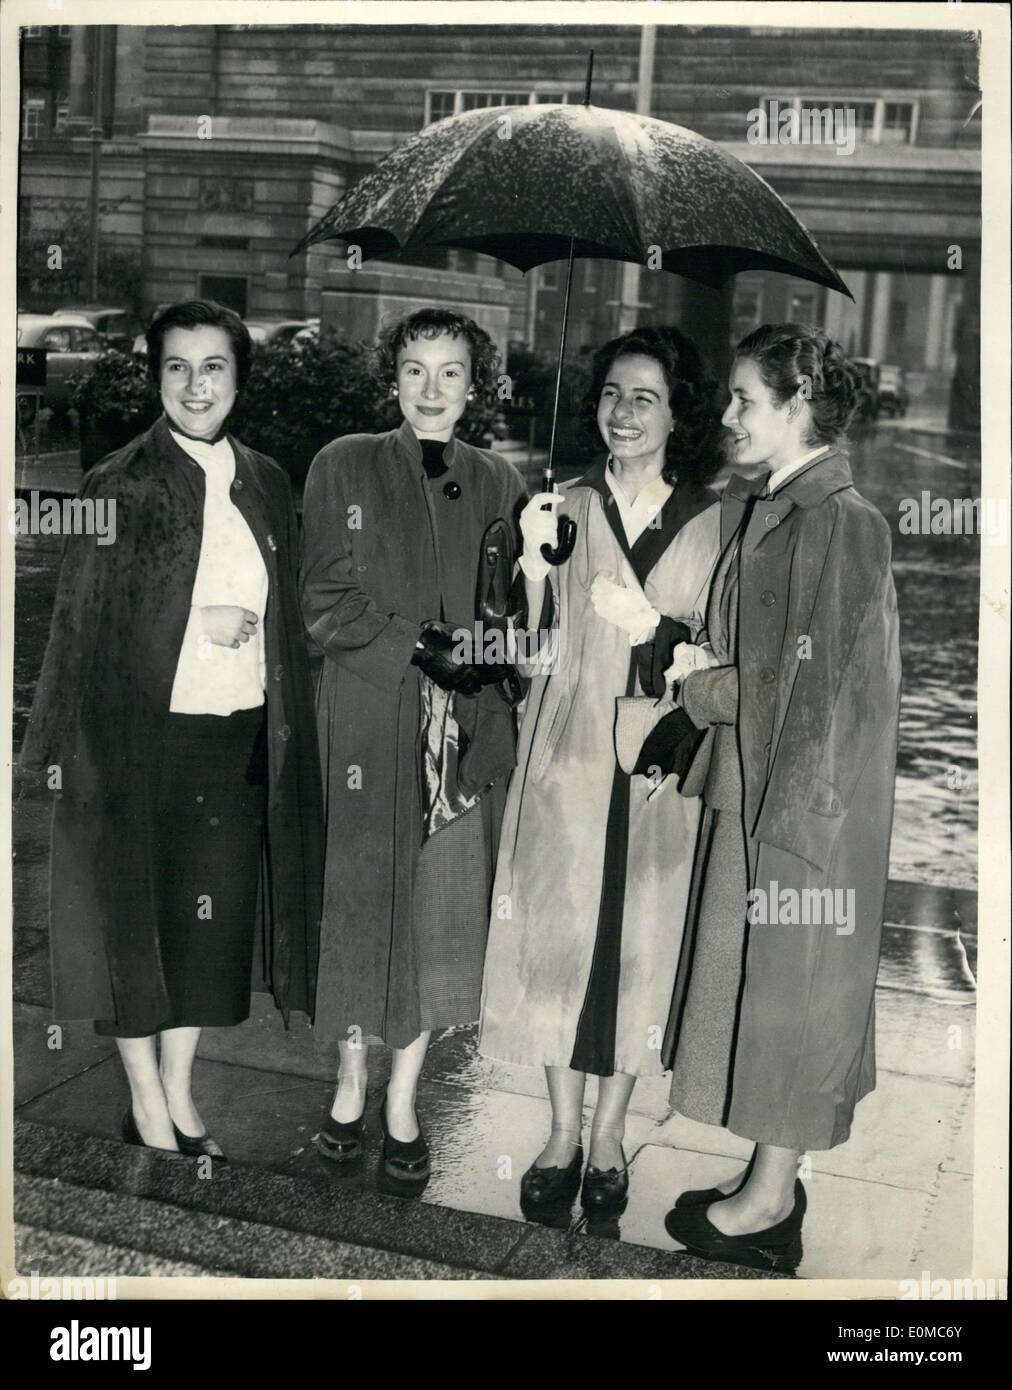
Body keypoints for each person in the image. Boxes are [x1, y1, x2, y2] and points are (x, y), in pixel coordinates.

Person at [19, 299, 324, 1159]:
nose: (197, 385)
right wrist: (194, 618)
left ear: (239, 378)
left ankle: (182, 1093)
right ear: (157, 378)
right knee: (130, 924)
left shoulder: (264, 478)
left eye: (214, 367)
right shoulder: (117, 482)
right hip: (139, 743)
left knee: (209, 931)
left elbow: (292, 612)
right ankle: (146, 1105)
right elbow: (80, 622)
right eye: (177, 368)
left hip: (236, 743)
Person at [661, 324, 902, 1274]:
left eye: (742, 401)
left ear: (798, 402)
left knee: (791, 998)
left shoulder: (840, 521)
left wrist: (699, 689)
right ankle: (765, 1178)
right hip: (765, 788)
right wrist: (699, 656)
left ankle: (768, 1202)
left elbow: (810, 687)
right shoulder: (781, 507)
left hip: (800, 809)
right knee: (765, 994)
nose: (726, 417)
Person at [479, 326, 724, 1213]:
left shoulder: (715, 520)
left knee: (641, 947)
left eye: (645, 398)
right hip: (569, 756)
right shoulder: (561, 508)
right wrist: (537, 575)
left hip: (659, 768)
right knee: (558, 936)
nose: (623, 413)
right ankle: (560, 1133)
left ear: (677, 414)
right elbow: (522, 656)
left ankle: (613, 1134)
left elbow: (725, 655)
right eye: (612, 394)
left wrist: (658, 632)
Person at [301, 308, 526, 1183]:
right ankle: (350, 1084)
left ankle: (404, 1101)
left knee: (438, 918)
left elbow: (513, 619)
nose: (432, 391)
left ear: (478, 387)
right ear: (391, 378)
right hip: (368, 718)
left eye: (452, 374)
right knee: (360, 906)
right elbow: (324, 601)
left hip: (462, 732)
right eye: (415, 372)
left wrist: (529, 592)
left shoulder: (503, 481)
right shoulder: (342, 464)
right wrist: (416, 641)